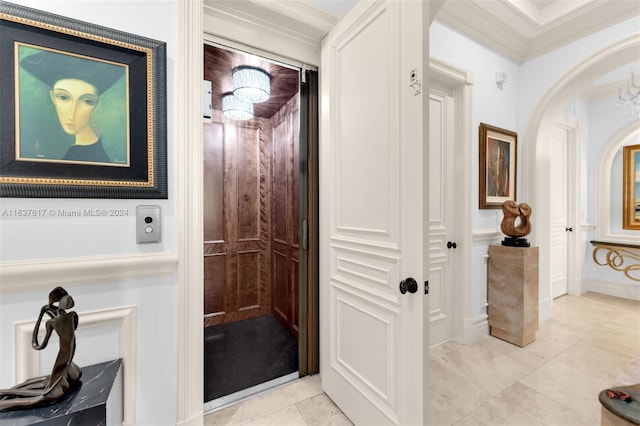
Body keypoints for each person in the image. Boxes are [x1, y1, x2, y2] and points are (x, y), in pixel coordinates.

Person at [19, 48, 125, 164]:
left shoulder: (82, 154)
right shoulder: (77, 147)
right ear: (53, 97)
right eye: (63, 97)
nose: (72, 113)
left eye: (86, 101)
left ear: (95, 104)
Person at [0, 287, 82, 411]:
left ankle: (6, 396)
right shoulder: (72, 316)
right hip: (67, 361)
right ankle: (6, 394)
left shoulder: (53, 321)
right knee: (39, 386)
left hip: (64, 363)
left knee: (44, 393)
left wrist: (43, 313)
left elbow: (38, 345)